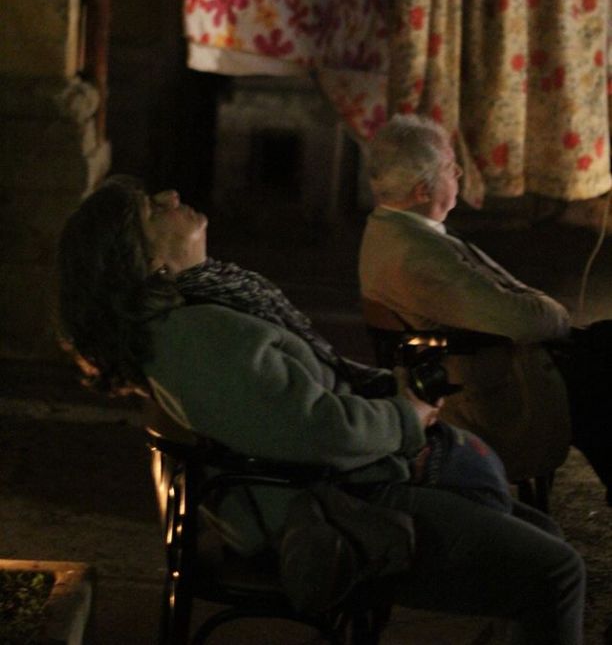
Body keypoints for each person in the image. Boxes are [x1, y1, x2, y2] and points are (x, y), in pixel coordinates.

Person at [57, 175, 586, 644]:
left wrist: (392, 396)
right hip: (335, 506)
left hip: (337, 482)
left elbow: (300, 401)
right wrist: (403, 416)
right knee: (556, 571)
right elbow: (314, 430)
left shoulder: (201, 308)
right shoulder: (193, 338)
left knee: (545, 542)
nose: (171, 195)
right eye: (153, 210)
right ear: (150, 263)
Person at [359, 113, 612, 501]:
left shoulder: (399, 230)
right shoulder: (415, 254)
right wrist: (554, 312)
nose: (459, 173)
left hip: (484, 365)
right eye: (450, 167)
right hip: (488, 391)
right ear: (423, 190)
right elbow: (519, 320)